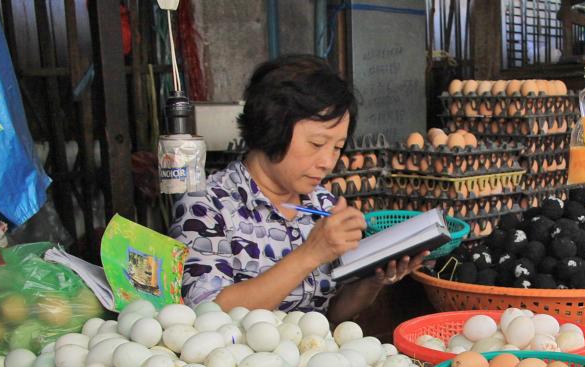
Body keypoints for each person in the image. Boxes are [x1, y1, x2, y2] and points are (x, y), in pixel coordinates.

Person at [169, 55, 427, 321]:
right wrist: (310, 254)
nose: (328, 162)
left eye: (337, 148)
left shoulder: (322, 206)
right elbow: (208, 313)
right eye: (316, 144)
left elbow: (333, 312)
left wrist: (374, 281)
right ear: (271, 127)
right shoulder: (207, 204)